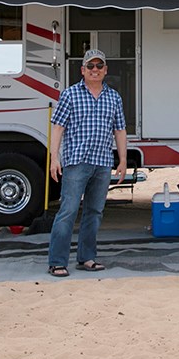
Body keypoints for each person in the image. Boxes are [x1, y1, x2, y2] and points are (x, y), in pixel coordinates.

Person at [47, 49, 127, 277]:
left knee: (95, 211)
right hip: (76, 162)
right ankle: (57, 261)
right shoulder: (70, 94)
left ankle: (87, 258)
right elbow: (58, 127)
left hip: (103, 162)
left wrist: (122, 160)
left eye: (99, 66)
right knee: (68, 211)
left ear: (105, 70)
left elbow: (120, 130)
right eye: (90, 66)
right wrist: (55, 158)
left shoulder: (114, 97)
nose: (95, 70)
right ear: (82, 70)